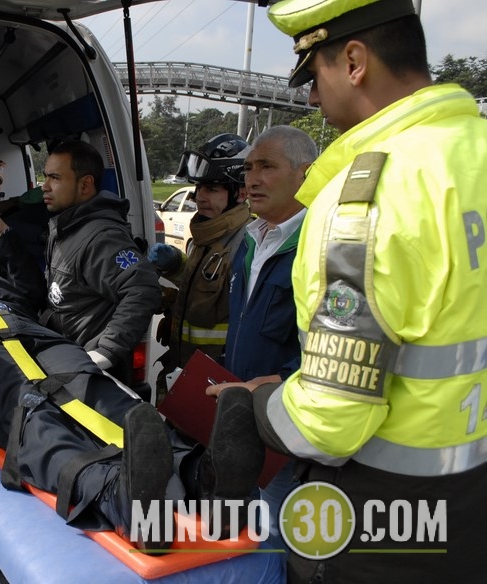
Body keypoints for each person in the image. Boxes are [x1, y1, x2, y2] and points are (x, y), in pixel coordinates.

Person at [209, 1, 487, 582]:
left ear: (355, 61)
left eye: (314, 75)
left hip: (384, 524)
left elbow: (329, 423)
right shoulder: (475, 149)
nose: (312, 98)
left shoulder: (369, 198)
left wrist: (258, 407)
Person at [0, 190, 266, 549]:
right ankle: (117, 497)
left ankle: (201, 473)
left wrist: (3, 236)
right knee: (32, 415)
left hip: (38, 337)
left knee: (97, 391)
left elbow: (30, 288)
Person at [0, 140, 162, 391]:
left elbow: (143, 288)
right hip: (60, 362)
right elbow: (43, 294)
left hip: (86, 380)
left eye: (55, 178)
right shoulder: (66, 228)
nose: (44, 186)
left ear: (85, 184)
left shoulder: (101, 236)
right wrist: (4, 237)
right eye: (45, 176)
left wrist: (105, 352)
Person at [220, 125, 318, 555]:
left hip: (287, 433)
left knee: (275, 543)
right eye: (247, 169)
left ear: (306, 173)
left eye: (267, 167)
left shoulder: (319, 245)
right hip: (241, 419)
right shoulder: (249, 240)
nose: (252, 179)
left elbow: (326, 350)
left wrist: (272, 384)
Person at [148, 134, 251, 400]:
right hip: (182, 367)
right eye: (199, 187)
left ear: (240, 192)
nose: (199, 196)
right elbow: (203, 285)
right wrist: (175, 268)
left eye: (212, 188)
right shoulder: (205, 237)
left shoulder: (246, 245)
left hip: (217, 382)